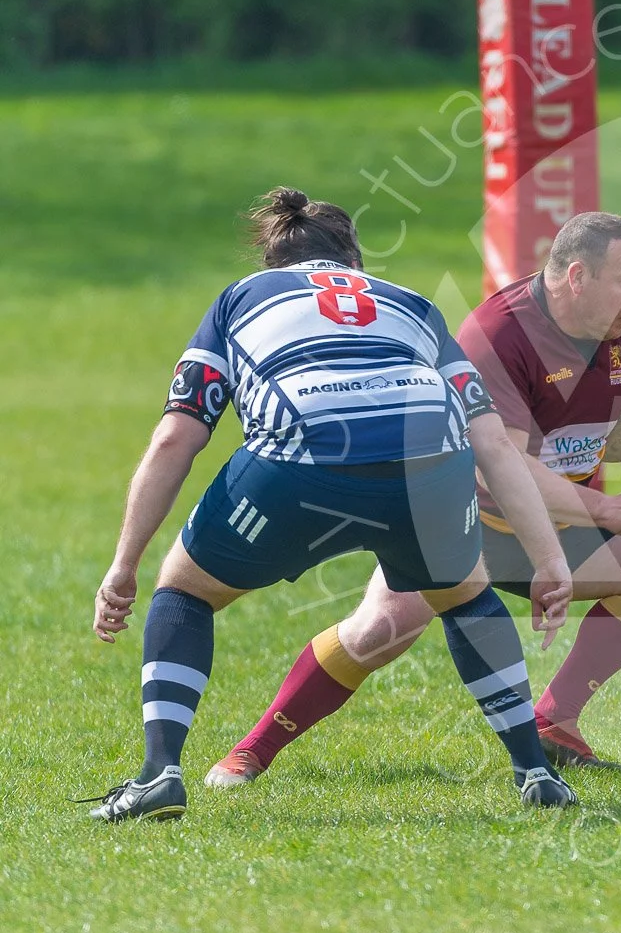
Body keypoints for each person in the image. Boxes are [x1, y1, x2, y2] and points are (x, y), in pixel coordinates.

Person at [80, 188, 578, 822]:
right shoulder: (415, 306)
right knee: (466, 596)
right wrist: (548, 560)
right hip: (427, 465)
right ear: (354, 260)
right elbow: (492, 446)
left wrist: (124, 565)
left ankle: (159, 775)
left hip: (300, 461)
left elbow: (180, 433)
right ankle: (534, 771)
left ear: (273, 261)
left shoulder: (240, 298)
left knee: (184, 591)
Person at [204, 211, 621, 787]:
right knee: (380, 630)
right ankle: (251, 752)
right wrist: (608, 509)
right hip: (459, 520)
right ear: (578, 277)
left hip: (553, 521)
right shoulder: (500, 338)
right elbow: (501, 466)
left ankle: (554, 724)